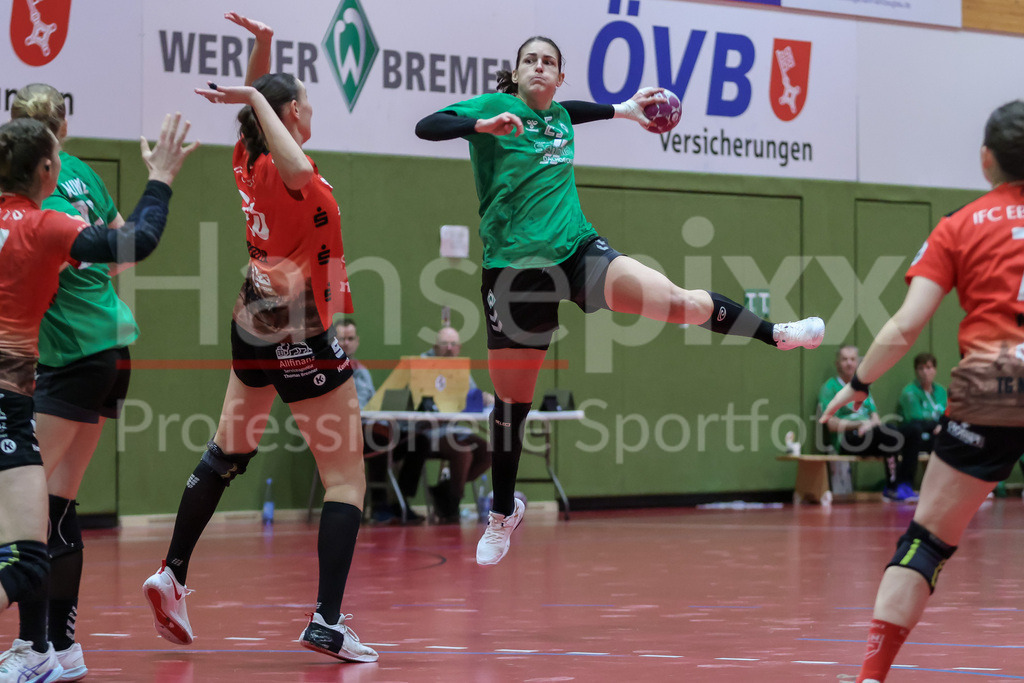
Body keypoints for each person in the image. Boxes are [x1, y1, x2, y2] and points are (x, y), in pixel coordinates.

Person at [415, 36, 825, 565]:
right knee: (512, 402)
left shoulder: (559, 115)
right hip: (513, 274)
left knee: (676, 300)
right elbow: (427, 127)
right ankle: (502, 512)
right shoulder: (496, 108)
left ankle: (777, 334)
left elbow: (571, 114)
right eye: (530, 61)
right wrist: (479, 126)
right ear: (515, 73)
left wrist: (624, 110)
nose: (539, 68)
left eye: (549, 63)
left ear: (560, 77)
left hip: (577, 250)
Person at [141, 12, 377, 664]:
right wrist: (255, 91)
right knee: (345, 478)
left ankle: (173, 571)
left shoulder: (246, 154)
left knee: (226, 451)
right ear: (295, 111)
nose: (309, 109)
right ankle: (327, 619)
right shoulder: (291, 171)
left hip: (253, 318)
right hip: (298, 328)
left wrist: (260, 55)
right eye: (303, 102)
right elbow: (294, 162)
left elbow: (254, 119)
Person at [820, 100, 1024, 683]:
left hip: (991, 385)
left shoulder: (959, 225)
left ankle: (870, 677)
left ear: (986, 160)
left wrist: (858, 385)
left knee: (927, 540)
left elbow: (906, 326)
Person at [0, 114, 196, 683]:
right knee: (53, 508)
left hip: (62, 362)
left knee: (31, 516)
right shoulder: (66, 200)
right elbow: (130, 248)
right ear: (52, 155)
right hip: (106, 351)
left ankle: (37, 648)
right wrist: (159, 178)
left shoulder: (43, 212)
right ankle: (58, 646)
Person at [818, 345, 910, 502]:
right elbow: (831, 424)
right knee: (889, 434)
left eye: (852, 359)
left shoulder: (862, 386)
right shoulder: (830, 387)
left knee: (905, 432)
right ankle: (893, 487)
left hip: (868, 435)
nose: (849, 363)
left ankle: (902, 485)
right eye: (844, 359)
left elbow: (875, 418)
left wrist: (869, 425)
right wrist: (860, 424)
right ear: (837, 363)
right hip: (846, 440)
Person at [896, 352, 946, 468]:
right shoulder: (909, 392)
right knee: (919, 430)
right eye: (921, 368)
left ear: (935, 370)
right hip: (916, 438)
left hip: (938, 434)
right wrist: (936, 425)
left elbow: (948, 415)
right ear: (916, 371)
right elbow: (916, 420)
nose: (925, 372)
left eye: (928, 367)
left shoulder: (941, 391)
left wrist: (941, 426)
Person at [333, 319, 374, 409]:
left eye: (350, 338)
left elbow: (367, 407)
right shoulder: (324, 370)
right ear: (333, 342)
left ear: (357, 341)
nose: (346, 343)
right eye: (342, 338)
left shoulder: (362, 372)